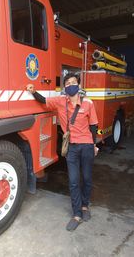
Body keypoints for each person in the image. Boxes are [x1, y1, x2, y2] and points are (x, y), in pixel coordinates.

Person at [26, 72, 99, 231]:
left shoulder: (88, 103)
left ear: (78, 86)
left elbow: (93, 126)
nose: (70, 85)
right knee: (73, 181)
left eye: (73, 82)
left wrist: (94, 145)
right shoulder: (60, 102)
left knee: (86, 178)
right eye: (67, 84)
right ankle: (77, 214)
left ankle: (85, 206)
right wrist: (32, 91)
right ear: (65, 88)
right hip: (71, 147)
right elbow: (44, 101)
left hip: (86, 145)